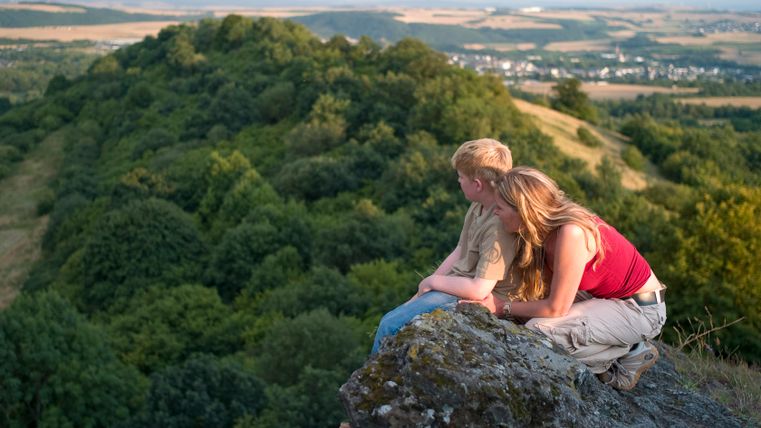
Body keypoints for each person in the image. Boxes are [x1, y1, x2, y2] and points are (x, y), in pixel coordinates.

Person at [469, 166, 667, 391]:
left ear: (523, 211)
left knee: (538, 333)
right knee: (525, 315)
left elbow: (556, 308)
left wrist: (502, 307)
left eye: (501, 207)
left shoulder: (571, 233)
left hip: (641, 309)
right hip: (606, 300)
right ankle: (612, 343)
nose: (495, 212)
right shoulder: (544, 230)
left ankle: (628, 351)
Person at [371, 138, 516, 354]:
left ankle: (376, 384)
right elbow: (460, 250)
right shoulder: (478, 207)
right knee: (397, 315)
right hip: (458, 283)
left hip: (472, 293)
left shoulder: (498, 226)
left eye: (461, 177)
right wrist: (423, 290)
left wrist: (433, 281)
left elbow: (480, 289)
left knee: (389, 325)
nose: (458, 181)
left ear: (477, 184)